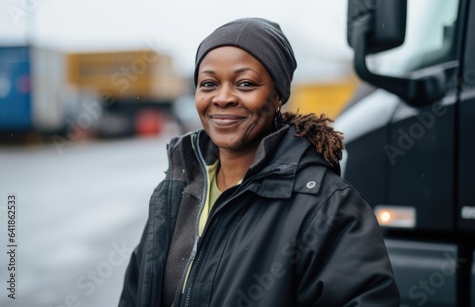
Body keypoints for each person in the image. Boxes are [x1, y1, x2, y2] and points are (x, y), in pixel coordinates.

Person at [119, 17, 400, 306]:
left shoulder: (328, 208)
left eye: (245, 83)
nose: (223, 98)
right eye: (208, 84)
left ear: (278, 95)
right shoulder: (175, 192)